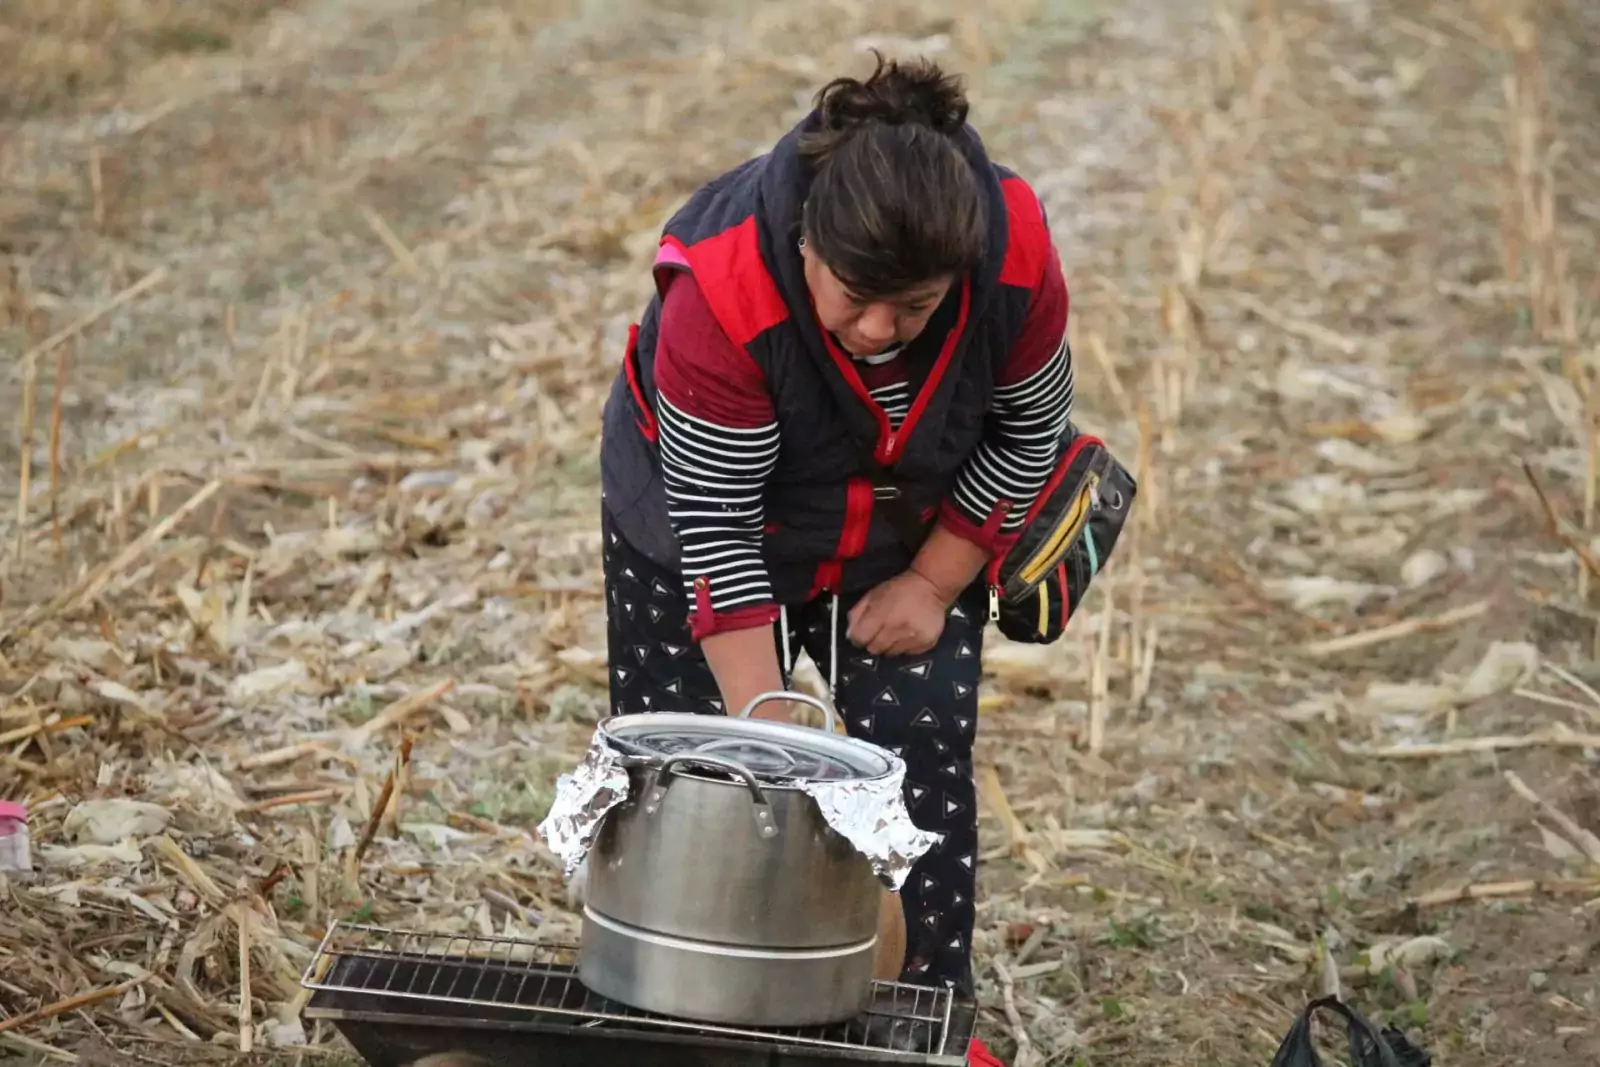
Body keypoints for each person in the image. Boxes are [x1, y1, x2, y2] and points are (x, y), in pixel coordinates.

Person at [597, 52, 1073, 1063]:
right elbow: (716, 525)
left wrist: (934, 579)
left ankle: (930, 1026)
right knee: (686, 774)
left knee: (921, 760)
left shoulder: (1014, 256)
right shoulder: (720, 288)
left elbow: (1030, 430)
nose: (877, 330)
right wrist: (766, 735)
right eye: (858, 297)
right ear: (807, 238)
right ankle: (671, 1019)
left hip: (905, 517)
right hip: (703, 514)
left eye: (915, 306)